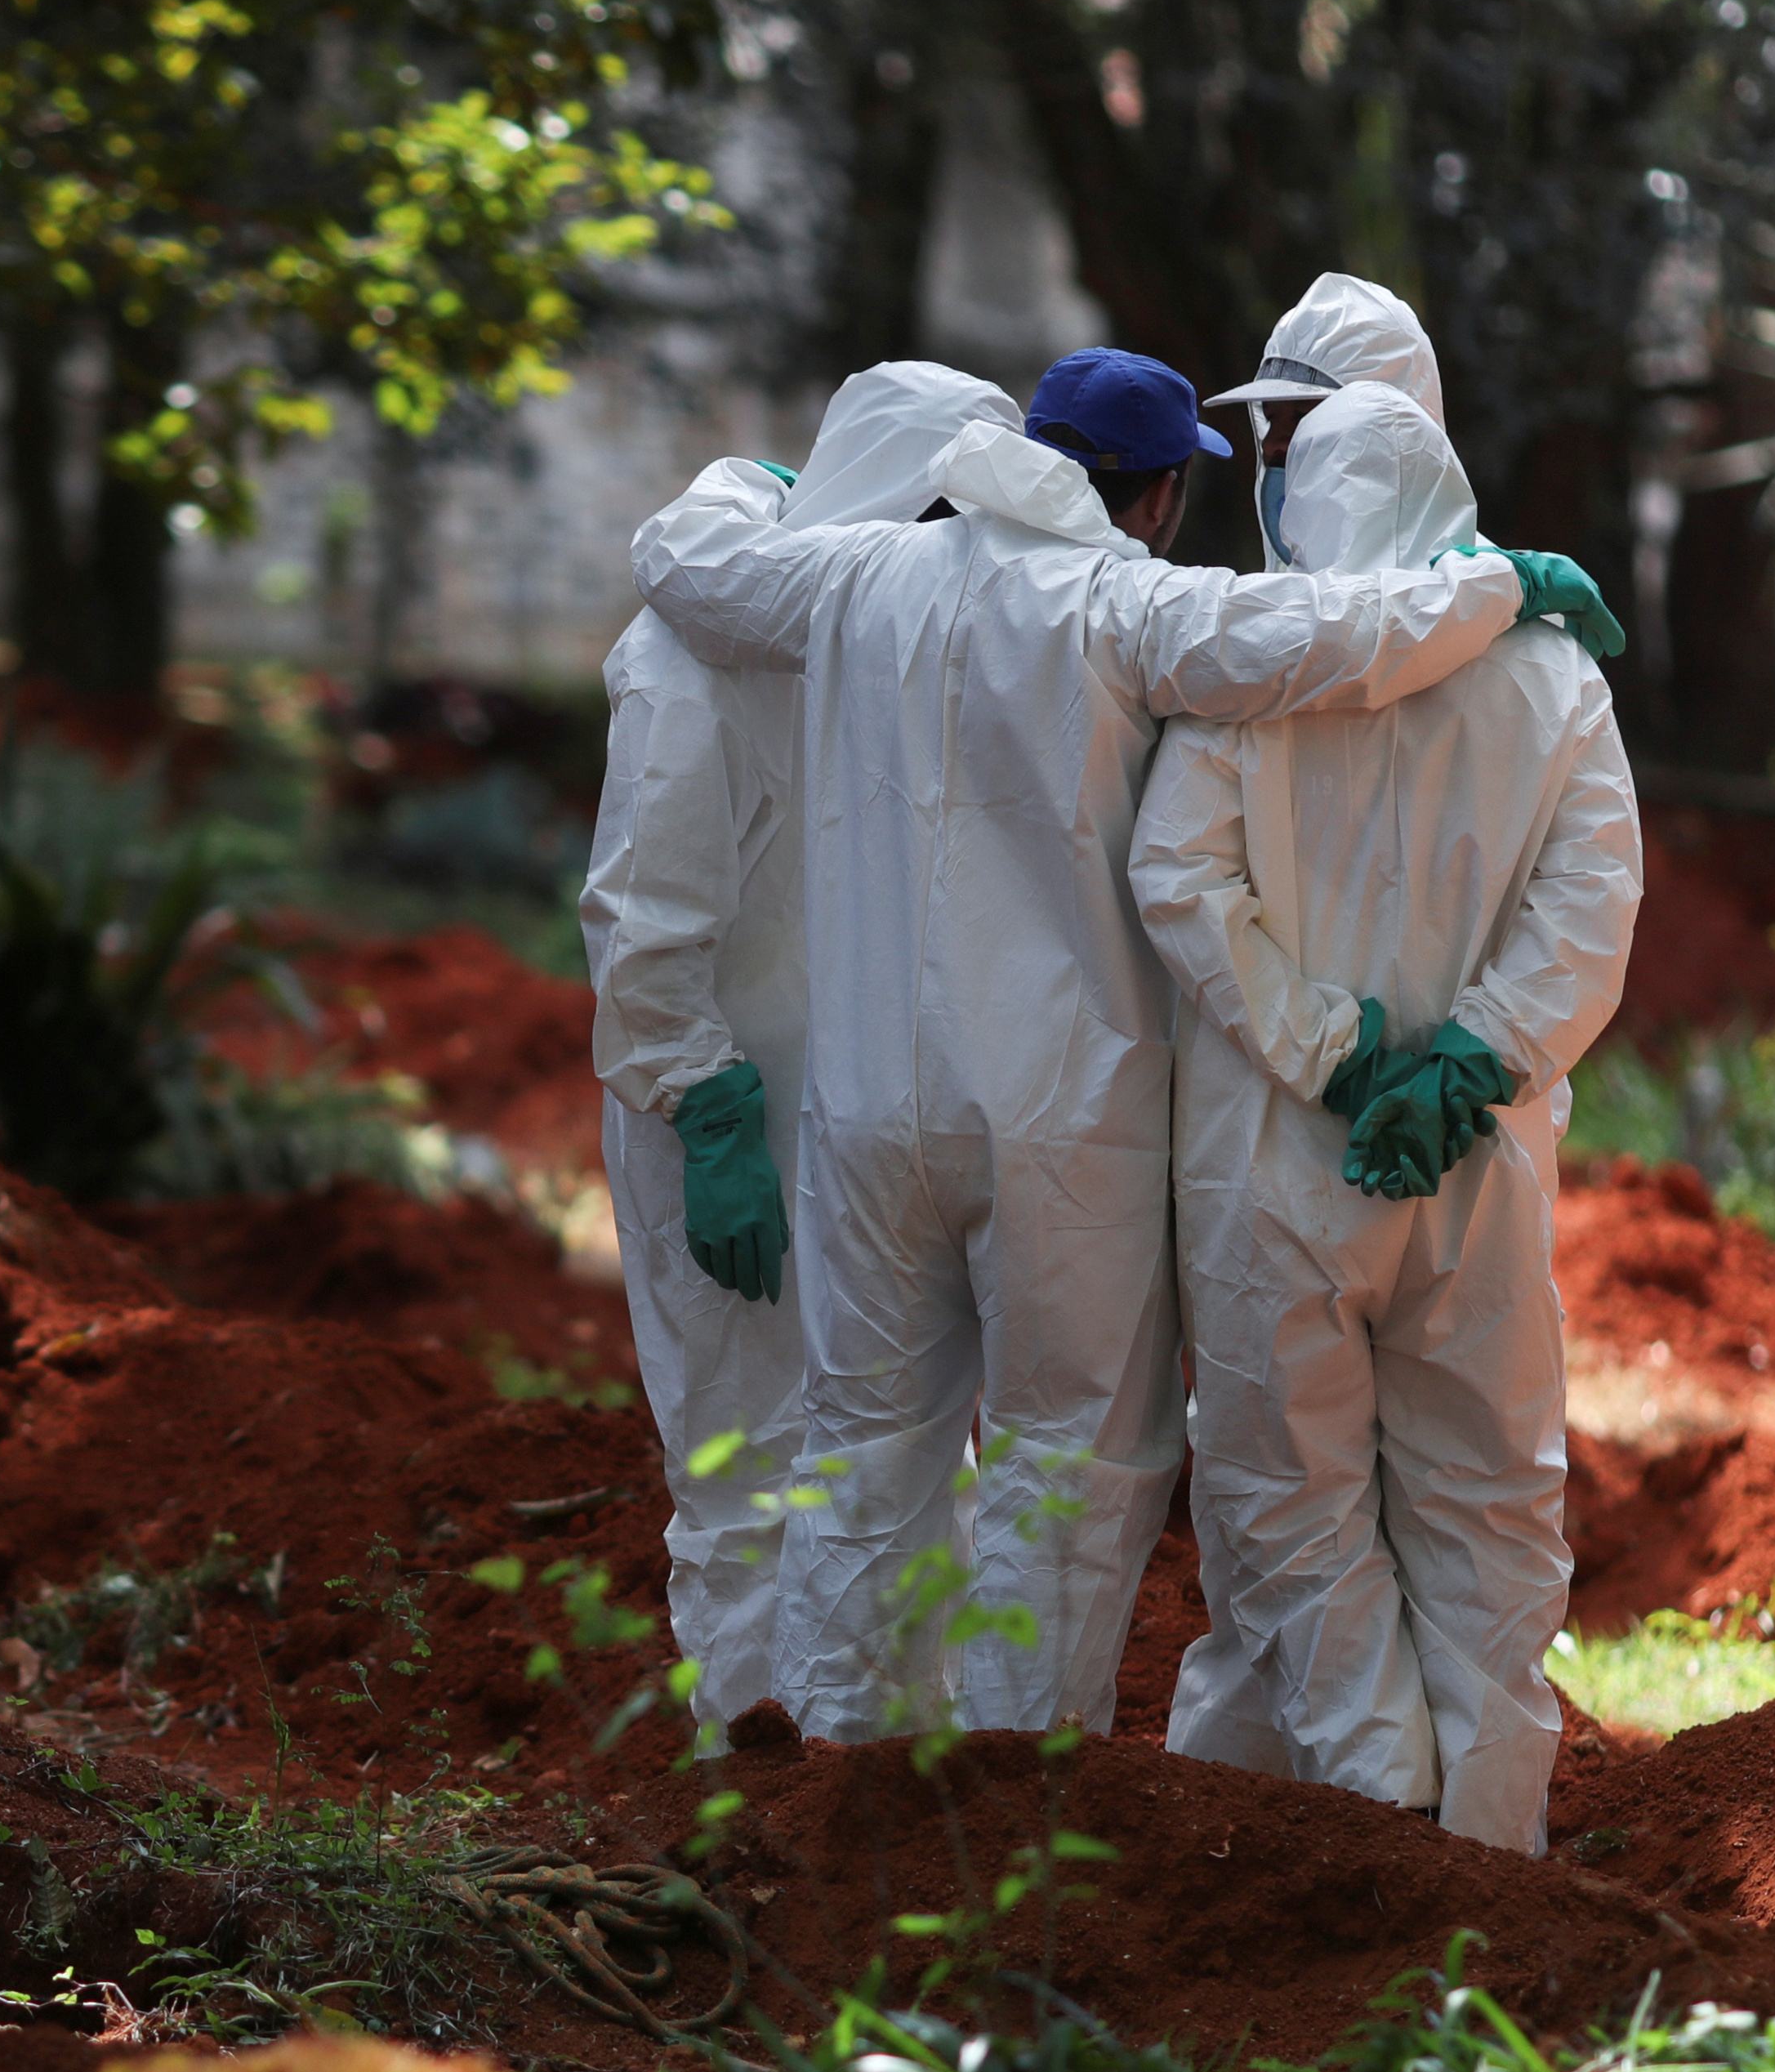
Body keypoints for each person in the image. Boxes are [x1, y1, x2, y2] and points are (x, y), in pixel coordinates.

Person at [625, 346, 1618, 1746]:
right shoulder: (1121, 604)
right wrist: (1499, 584)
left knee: (863, 1452)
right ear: (1156, 498)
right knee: (1060, 1465)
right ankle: (1017, 1803)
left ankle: (844, 1803)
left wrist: (736, 486)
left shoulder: (848, 579)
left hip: (857, 1123)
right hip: (1057, 1128)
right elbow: (1327, 642)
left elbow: (684, 568)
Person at [1128, 382, 1643, 1855]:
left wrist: (1329, 1053)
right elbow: (1588, 904)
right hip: (1472, 1172)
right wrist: (1462, 1068)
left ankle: (1362, 1816)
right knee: (1483, 1503)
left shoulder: (1262, 673)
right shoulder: (1550, 681)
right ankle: (1480, 1849)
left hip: (1268, 1165)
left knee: (1281, 1508)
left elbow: (1178, 881)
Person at [583, 362, 1018, 1739]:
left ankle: (882, 1767)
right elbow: (644, 917)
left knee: (885, 1454)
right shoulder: (685, 661)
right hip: (719, 1109)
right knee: (742, 1459)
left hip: (849, 1106)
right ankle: (755, 1782)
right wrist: (700, 1108)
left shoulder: (880, 636)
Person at [1204, 272, 1449, 567]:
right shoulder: (1273, 600)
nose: (1271, 445)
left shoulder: (1477, 590)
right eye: (1270, 418)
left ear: (1392, 431)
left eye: (1305, 417)